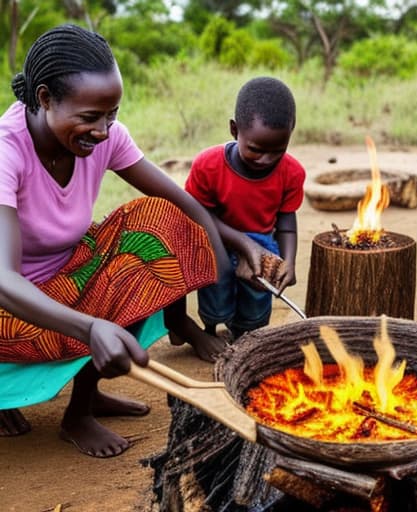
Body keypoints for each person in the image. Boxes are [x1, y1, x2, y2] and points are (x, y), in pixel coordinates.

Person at [0, 24, 234, 457]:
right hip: (10, 309)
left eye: (112, 114)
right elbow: (3, 281)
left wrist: (226, 254)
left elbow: (180, 203)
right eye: (90, 117)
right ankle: (60, 413)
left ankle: (85, 401)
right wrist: (90, 327)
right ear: (46, 98)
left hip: (65, 280)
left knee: (153, 224)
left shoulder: (102, 136)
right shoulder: (5, 151)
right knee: (105, 291)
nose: (104, 130)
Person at [184, 76, 306, 340]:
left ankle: (246, 333)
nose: (266, 159)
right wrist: (239, 245)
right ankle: (210, 329)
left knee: (256, 298)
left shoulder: (292, 172)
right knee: (215, 287)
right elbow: (200, 217)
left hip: (262, 244)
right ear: (234, 129)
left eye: (278, 150)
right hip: (216, 239)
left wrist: (289, 261)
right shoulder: (208, 166)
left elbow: (286, 222)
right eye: (255, 149)